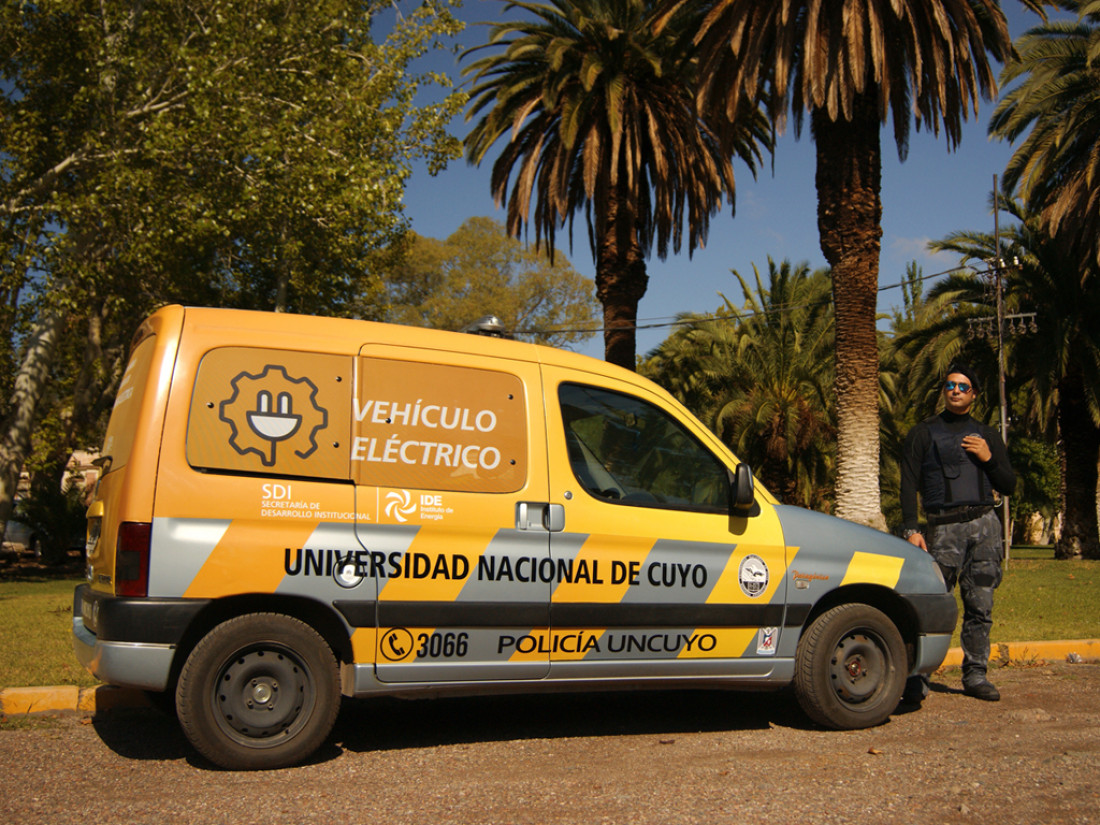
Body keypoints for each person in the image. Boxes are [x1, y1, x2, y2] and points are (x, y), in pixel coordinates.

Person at [900, 363, 1016, 703]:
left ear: (974, 394)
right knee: (934, 603)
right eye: (950, 385)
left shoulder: (987, 434)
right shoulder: (923, 432)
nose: (955, 391)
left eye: (963, 387)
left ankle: (975, 673)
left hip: (985, 527)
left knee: (980, 603)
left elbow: (1008, 484)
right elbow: (908, 483)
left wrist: (989, 457)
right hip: (942, 529)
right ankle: (918, 675)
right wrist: (911, 529)